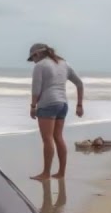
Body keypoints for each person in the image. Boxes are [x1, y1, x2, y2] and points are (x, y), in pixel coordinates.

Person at [26, 43, 84, 180]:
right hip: (62, 104)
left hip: (47, 104)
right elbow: (79, 83)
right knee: (58, 137)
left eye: (32, 58)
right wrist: (79, 105)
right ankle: (61, 173)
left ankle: (46, 173)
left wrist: (33, 106)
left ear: (37, 54)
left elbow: (36, 90)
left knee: (47, 139)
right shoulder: (64, 64)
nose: (33, 61)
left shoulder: (40, 66)